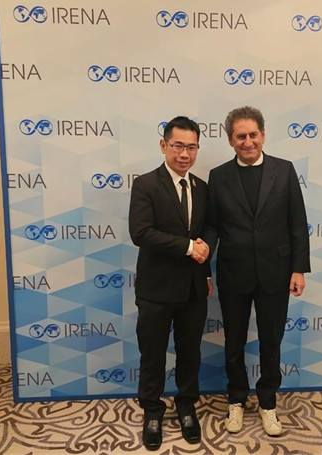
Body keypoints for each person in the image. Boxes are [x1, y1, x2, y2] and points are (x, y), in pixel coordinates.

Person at [205, 106, 310, 436]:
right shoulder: (218, 176)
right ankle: (236, 399)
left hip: (276, 272)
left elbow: (297, 223)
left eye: (253, 134)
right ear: (230, 140)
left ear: (262, 135)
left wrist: (299, 269)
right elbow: (212, 226)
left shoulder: (284, 170)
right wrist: (204, 268)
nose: (248, 141)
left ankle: (267, 402)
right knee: (234, 341)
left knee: (271, 342)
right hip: (233, 273)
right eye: (241, 136)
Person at [129, 116, 212, 451]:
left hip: (194, 288)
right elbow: (141, 233)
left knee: (190, 352)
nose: (184, 154)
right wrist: (188, 247)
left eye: (191, 147)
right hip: (156, 289)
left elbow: (208, 231)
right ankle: (152, 410)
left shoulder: (202, 187)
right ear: (164, 145)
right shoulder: (146, 184)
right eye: (178, 146)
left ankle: (186, 405)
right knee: (152, 353)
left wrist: (206, 269)